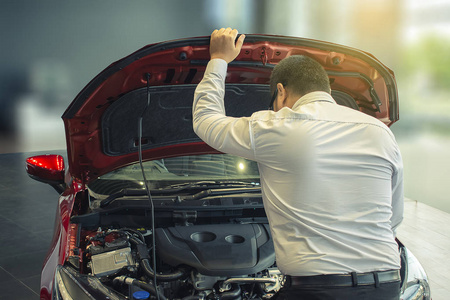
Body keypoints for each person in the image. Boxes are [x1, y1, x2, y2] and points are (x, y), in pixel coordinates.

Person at [192, 28, 404, 300]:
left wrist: (219, 59)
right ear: (327, 90)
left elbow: (205, 120)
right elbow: (393, 217)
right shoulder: (380, 132)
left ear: (280, 92)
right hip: (386, 286)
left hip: (319, 291)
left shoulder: (278, 126)